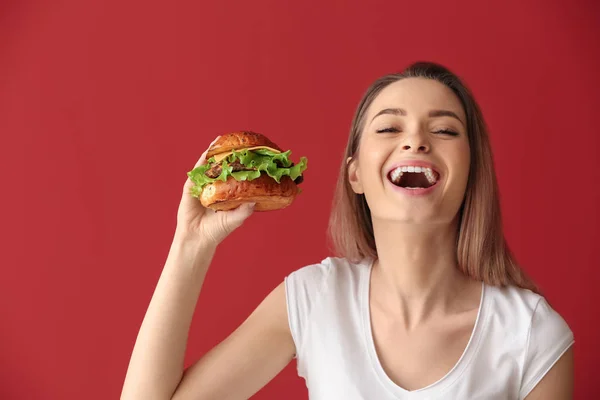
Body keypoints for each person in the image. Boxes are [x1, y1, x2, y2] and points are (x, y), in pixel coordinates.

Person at [121, 62, 574, 400]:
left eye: (443, 130)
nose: (416, 140)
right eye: (389, 127)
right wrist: (192, 243)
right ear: (355, 174)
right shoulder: (315, 299)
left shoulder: (532, 336)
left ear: (471, 171)